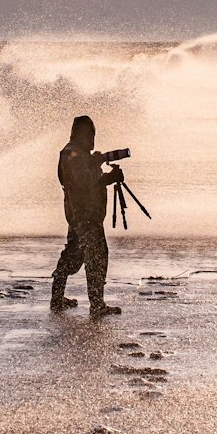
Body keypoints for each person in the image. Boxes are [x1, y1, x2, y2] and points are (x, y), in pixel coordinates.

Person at [51, 115, 124, 317]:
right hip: (85, 216)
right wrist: (102, 169)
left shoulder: (75, 153)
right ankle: (97, 305)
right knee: (97, 257)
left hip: (78, 214)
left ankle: (57, 299)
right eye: (91, 135)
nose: (93, 141)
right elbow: (84, 181)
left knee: (74, 256)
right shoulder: (72, 153)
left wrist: (100, 169)